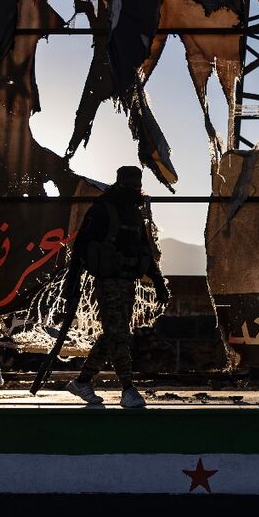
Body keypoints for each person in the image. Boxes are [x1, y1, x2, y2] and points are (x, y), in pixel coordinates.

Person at [64, 165, 169, 408]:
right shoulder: (102, 210)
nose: (134, 189)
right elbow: (80, 247)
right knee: (118, 334)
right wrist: (71, 283)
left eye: (136, 185)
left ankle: (82, 381)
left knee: (114, 334)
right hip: (108, 281)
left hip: (127, 282)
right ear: (120, 183)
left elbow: (145, 251)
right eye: (129, 184)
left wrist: (159, 282)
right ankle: (128, 388)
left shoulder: (133, 213)